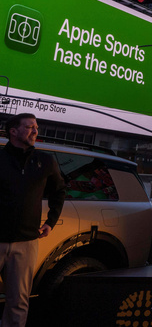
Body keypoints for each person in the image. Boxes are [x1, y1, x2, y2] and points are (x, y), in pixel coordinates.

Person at [1, 114, 66, 327]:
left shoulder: (45, 161)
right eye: (29, 127)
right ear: (13, 131)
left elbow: (59, 191)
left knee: (18, 301)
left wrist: (51, 221)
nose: (35, 131)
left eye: (36, 127)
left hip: (26, 243)